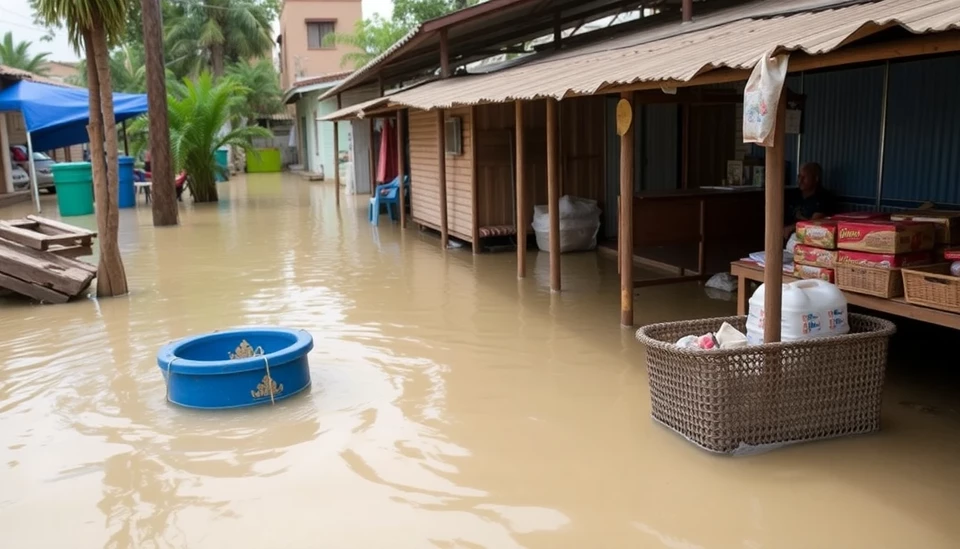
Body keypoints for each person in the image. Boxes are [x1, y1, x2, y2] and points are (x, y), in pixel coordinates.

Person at [784, 162, 833, 237]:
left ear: (816, 178)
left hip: (808, 237)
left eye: (804, 177)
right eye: (799, 176)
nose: (800, 181)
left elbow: (814, 222)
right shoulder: (793, 194)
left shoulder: (824, 197)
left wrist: (790, 228)